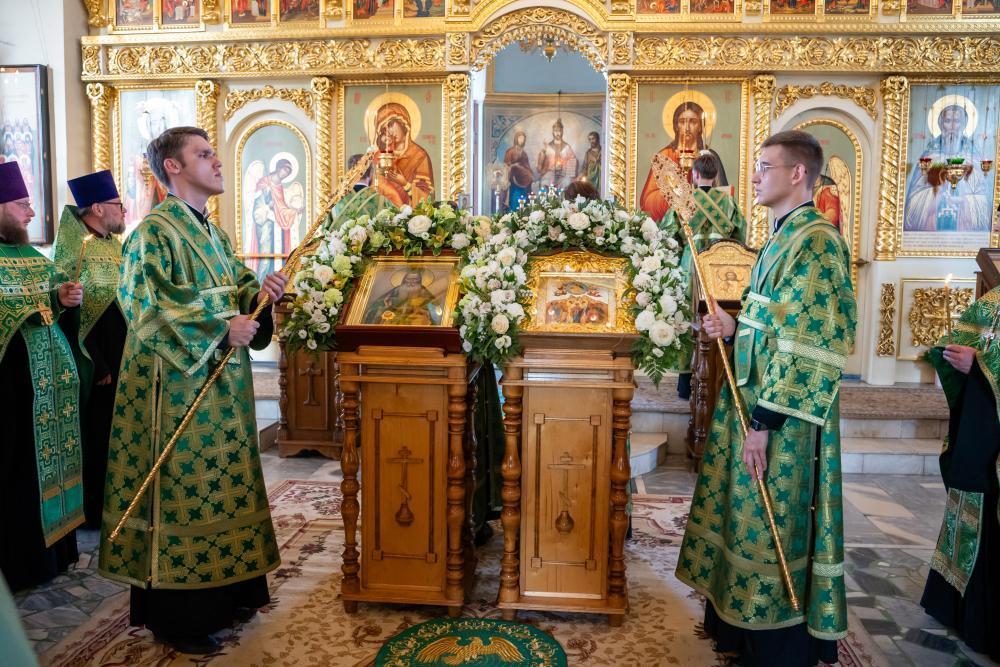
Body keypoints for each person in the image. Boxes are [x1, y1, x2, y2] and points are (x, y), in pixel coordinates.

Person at [98, 127, 288, 655]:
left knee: (225, 482)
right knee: (185, 491)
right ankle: (179, 618)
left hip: (222, 383)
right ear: (173, 167)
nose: (217, 162)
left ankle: (231, 593)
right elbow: (147, 304)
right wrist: (221, 328)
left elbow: (234, 287)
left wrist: (260, 294)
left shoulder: (213, 232)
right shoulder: (152, 234)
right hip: (175, 388)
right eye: (204, 154)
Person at [676, 131, 856, 667]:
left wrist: (764, 423)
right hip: (755, 400)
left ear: (797, 174)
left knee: (772, 516)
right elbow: (775, 318)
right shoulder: (781, 236)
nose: (753, 176)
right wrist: (734, 326)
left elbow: (812, 342)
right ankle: (740, 625)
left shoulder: (817, 242)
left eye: (764, 166)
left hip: (784, 418)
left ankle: (776, 636)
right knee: (745, 511)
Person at [0, 161, 85, 592]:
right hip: (10, 396)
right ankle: (20, 564)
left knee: (48, 468)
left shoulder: (33, 257)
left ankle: (54, 553)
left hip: (49, 392)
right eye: (22, 205)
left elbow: (50, 298)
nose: (31, 213)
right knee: (16, 475)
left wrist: (63, 297)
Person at [919, 287, 1000, 662]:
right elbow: (967, 337)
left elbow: (984, 358)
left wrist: (981, 365)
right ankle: (959, 607)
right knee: (971, 493)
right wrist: (950, 352)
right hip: (981, 423)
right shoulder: (994, 299)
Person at [53, 170, 128, 529]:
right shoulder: (73, 249)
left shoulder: (114, 245)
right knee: (96, 436)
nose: (124, 211)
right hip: (94, 362)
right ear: (97, 208)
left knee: (119, 434)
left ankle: (119, 502)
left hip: (124, 354)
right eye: (118, 205)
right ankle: (94, 512)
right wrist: (97, 363)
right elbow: (71, 315)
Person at [661, 153, 746, 399]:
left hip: (691, 265)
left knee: (688, 318)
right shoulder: (728, 203)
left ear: (695, 175)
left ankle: (685, 383)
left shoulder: (685, 200)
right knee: (717, 317)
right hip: (720, 268)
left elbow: (667, 234)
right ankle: (716, 377)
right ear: (715, 175)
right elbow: (740, 235)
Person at [904, 103, 990, 233]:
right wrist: (938, 191)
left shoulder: (973, 160)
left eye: (957, 121)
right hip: (930, 233)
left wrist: (963, 200)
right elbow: (912, 206)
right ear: (941, 125)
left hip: (966, 234)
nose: (952, 127)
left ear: (964, 125)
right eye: (948, 121)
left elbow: (984, 203)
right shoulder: (929, 159)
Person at [639, 101, 729, 222]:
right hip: (671, 225)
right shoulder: (664, 157)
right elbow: (648, 201)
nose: (687, 128)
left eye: (693, 122)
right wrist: (675, 196)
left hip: (704, 222)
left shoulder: (709, 156)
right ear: (676, 126)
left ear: (700, 127)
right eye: (682, 122)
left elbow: (723, 197)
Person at [374, 103, 434, 207]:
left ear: (403, 123)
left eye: (390, 125)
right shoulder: (381, 156)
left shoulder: (419, 156)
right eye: (384, 129)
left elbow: (428, 198)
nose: (389, 131)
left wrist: (405, 184)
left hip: (411, 214)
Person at [363, 268, 441, 325]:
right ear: (403, 281)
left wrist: (425, 315)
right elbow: (376, 309)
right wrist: (387, 307)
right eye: (408, 280)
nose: (411, 283)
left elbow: (435, 313)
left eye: (415, 280)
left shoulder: (425, 295)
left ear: (420, 283)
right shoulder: (393, 294)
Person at [536, 119, 578, 190]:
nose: (557, 133)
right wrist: (542, 155)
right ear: (553, 132)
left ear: (562, 132)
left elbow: (573, 161)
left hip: (563, 174)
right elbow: (540, 166)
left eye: (559, 131)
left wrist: (567, 167)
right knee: (544, 182)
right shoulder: (548, 146)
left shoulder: (567, 147)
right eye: (555, 131)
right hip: (550, 172)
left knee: (567, 182)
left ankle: (563, 197)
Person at [503, 131, 533, 209]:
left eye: (523, 139)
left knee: (523, 196)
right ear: (516, 139)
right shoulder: (510, 151)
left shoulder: (524, 153)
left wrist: (529, 173)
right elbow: (506, 166)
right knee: (515, 198)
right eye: (520, 138)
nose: (521, 140)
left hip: (523, 178)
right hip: (513, 177)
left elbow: (527, 166)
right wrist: (514, 165)